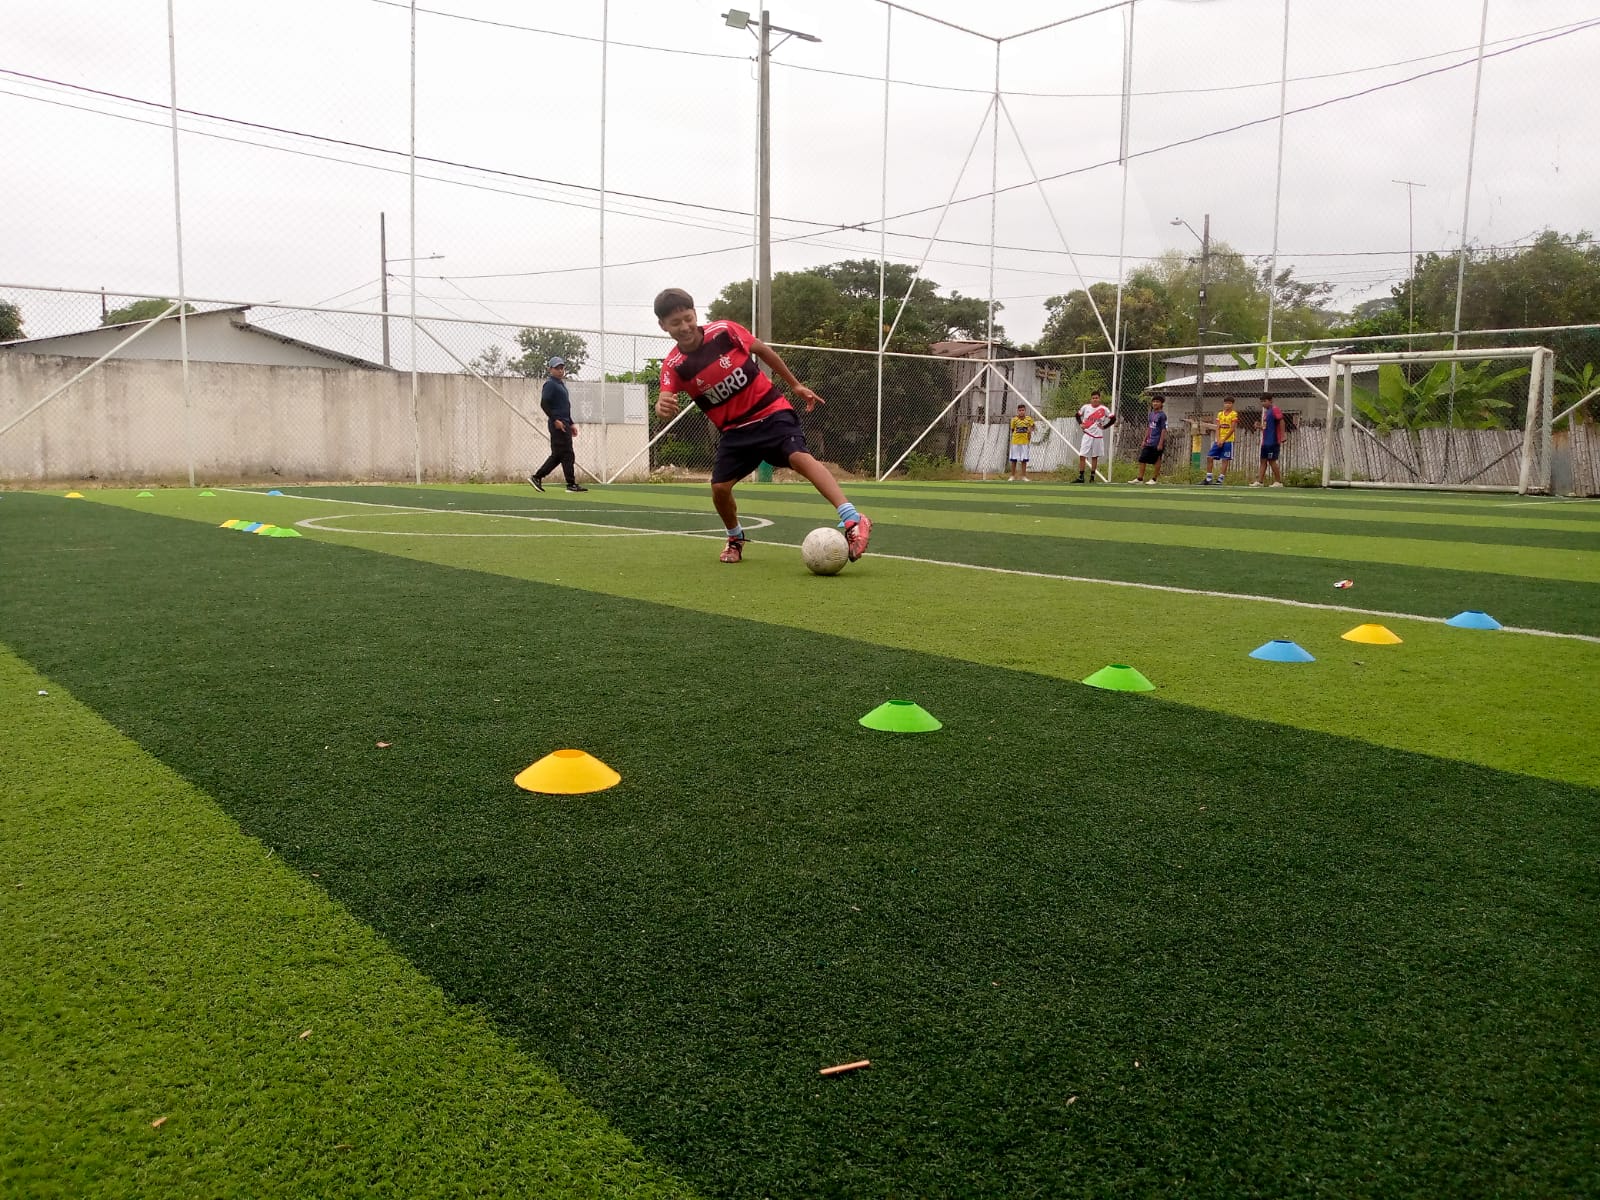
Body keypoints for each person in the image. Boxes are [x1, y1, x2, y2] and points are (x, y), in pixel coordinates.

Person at [652, 288, 872, 564]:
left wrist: (795, 385)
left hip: (771, 412)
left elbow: (764, 351)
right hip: (735, 432)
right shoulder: (674, 366)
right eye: (675, 323)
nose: (684, 327)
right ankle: (735, 538)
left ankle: (852, 518)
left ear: (695, 313)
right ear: (663, 326)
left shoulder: (724, 331)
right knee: (719, 489)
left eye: (688, 318)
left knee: (799, 457)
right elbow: (664, 400)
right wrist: (661, 407)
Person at [528, 355, 587, 493]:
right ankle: (541, 478)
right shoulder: (550, 384)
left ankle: (541, 478)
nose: (560, 370)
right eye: (557, 368)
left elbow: (564, 406)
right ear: (550, 369)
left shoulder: (561, 384)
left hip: (564, 423)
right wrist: (555, 420)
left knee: (560, 455)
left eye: (562, 368)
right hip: (558, 425)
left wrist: (571, 423)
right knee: (566, 454)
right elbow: (544, 403)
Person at [1074, 389, 1112, 483]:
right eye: (1093, 398)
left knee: (1094, 456)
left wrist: (1104, 427)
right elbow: (1077, 415)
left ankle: (1092, 477)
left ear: (1099, 399)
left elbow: (1113, 418)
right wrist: (1081, 424)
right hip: (1087, 435)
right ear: (1091, 399)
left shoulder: (1104, 409)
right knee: (1082, 455)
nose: (1095, 399)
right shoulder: (1086, 407)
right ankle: (1081, 476)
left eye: (1096, 398)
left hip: (1098, 436)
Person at [1252, 393, 1289, 487]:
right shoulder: (1266, 413)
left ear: (1271, 401)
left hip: (1273, 440)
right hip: (1265, 441)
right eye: (1261, 401)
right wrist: (1259, 426)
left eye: (1265, 401)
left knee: (1272, 461)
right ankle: (1260, 481)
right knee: (1263, 460)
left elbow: (1281, 421)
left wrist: (1283, 435)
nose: (1263, 403)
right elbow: (1266, 427)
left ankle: (1278, 481)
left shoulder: (1275, 410)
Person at [1202, 395, 1238, 485]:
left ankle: (1220, 480)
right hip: (1219, 440)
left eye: (1229, 403)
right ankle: (1208, 478)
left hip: (1228, 440)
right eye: (1226, 403)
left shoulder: (1233, 414)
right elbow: (1218, 427)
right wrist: (1218, 439)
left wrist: (1223, 440)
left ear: (1232, 404)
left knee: (1225, 459)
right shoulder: (1220, 414)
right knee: (1210, 457)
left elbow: (1232, 429)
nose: (1227, 405)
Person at [1131, 396, 1167, 485]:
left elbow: (1163, 429)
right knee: (1142, 459)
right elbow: (1149, 427)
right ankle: (1140, 478)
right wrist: (1144, 440)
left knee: (1157, 460)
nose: (1155, 403)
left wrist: (1160, 443)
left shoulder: (1162, 415)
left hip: (1157, 441)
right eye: (1154, 401)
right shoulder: (1151, 414)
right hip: (1149, 441)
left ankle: (1154, 479)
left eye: (1157, 401)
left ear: (1161, 404)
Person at [1007, 402, 1036, 481]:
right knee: (1014, 459)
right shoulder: (1014, 420)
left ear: (1025, 411)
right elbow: (1013, 430)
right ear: (1017, 411)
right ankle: (1012, 476)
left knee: (1024, 460)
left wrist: (1030, 430)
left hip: (1024, 442)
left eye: (1023, 410)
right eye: (1020, 410)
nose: (1021, 412)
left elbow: (1033, 426)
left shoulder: (1028, 419)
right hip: (1015, 442)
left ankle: (1024, 476)